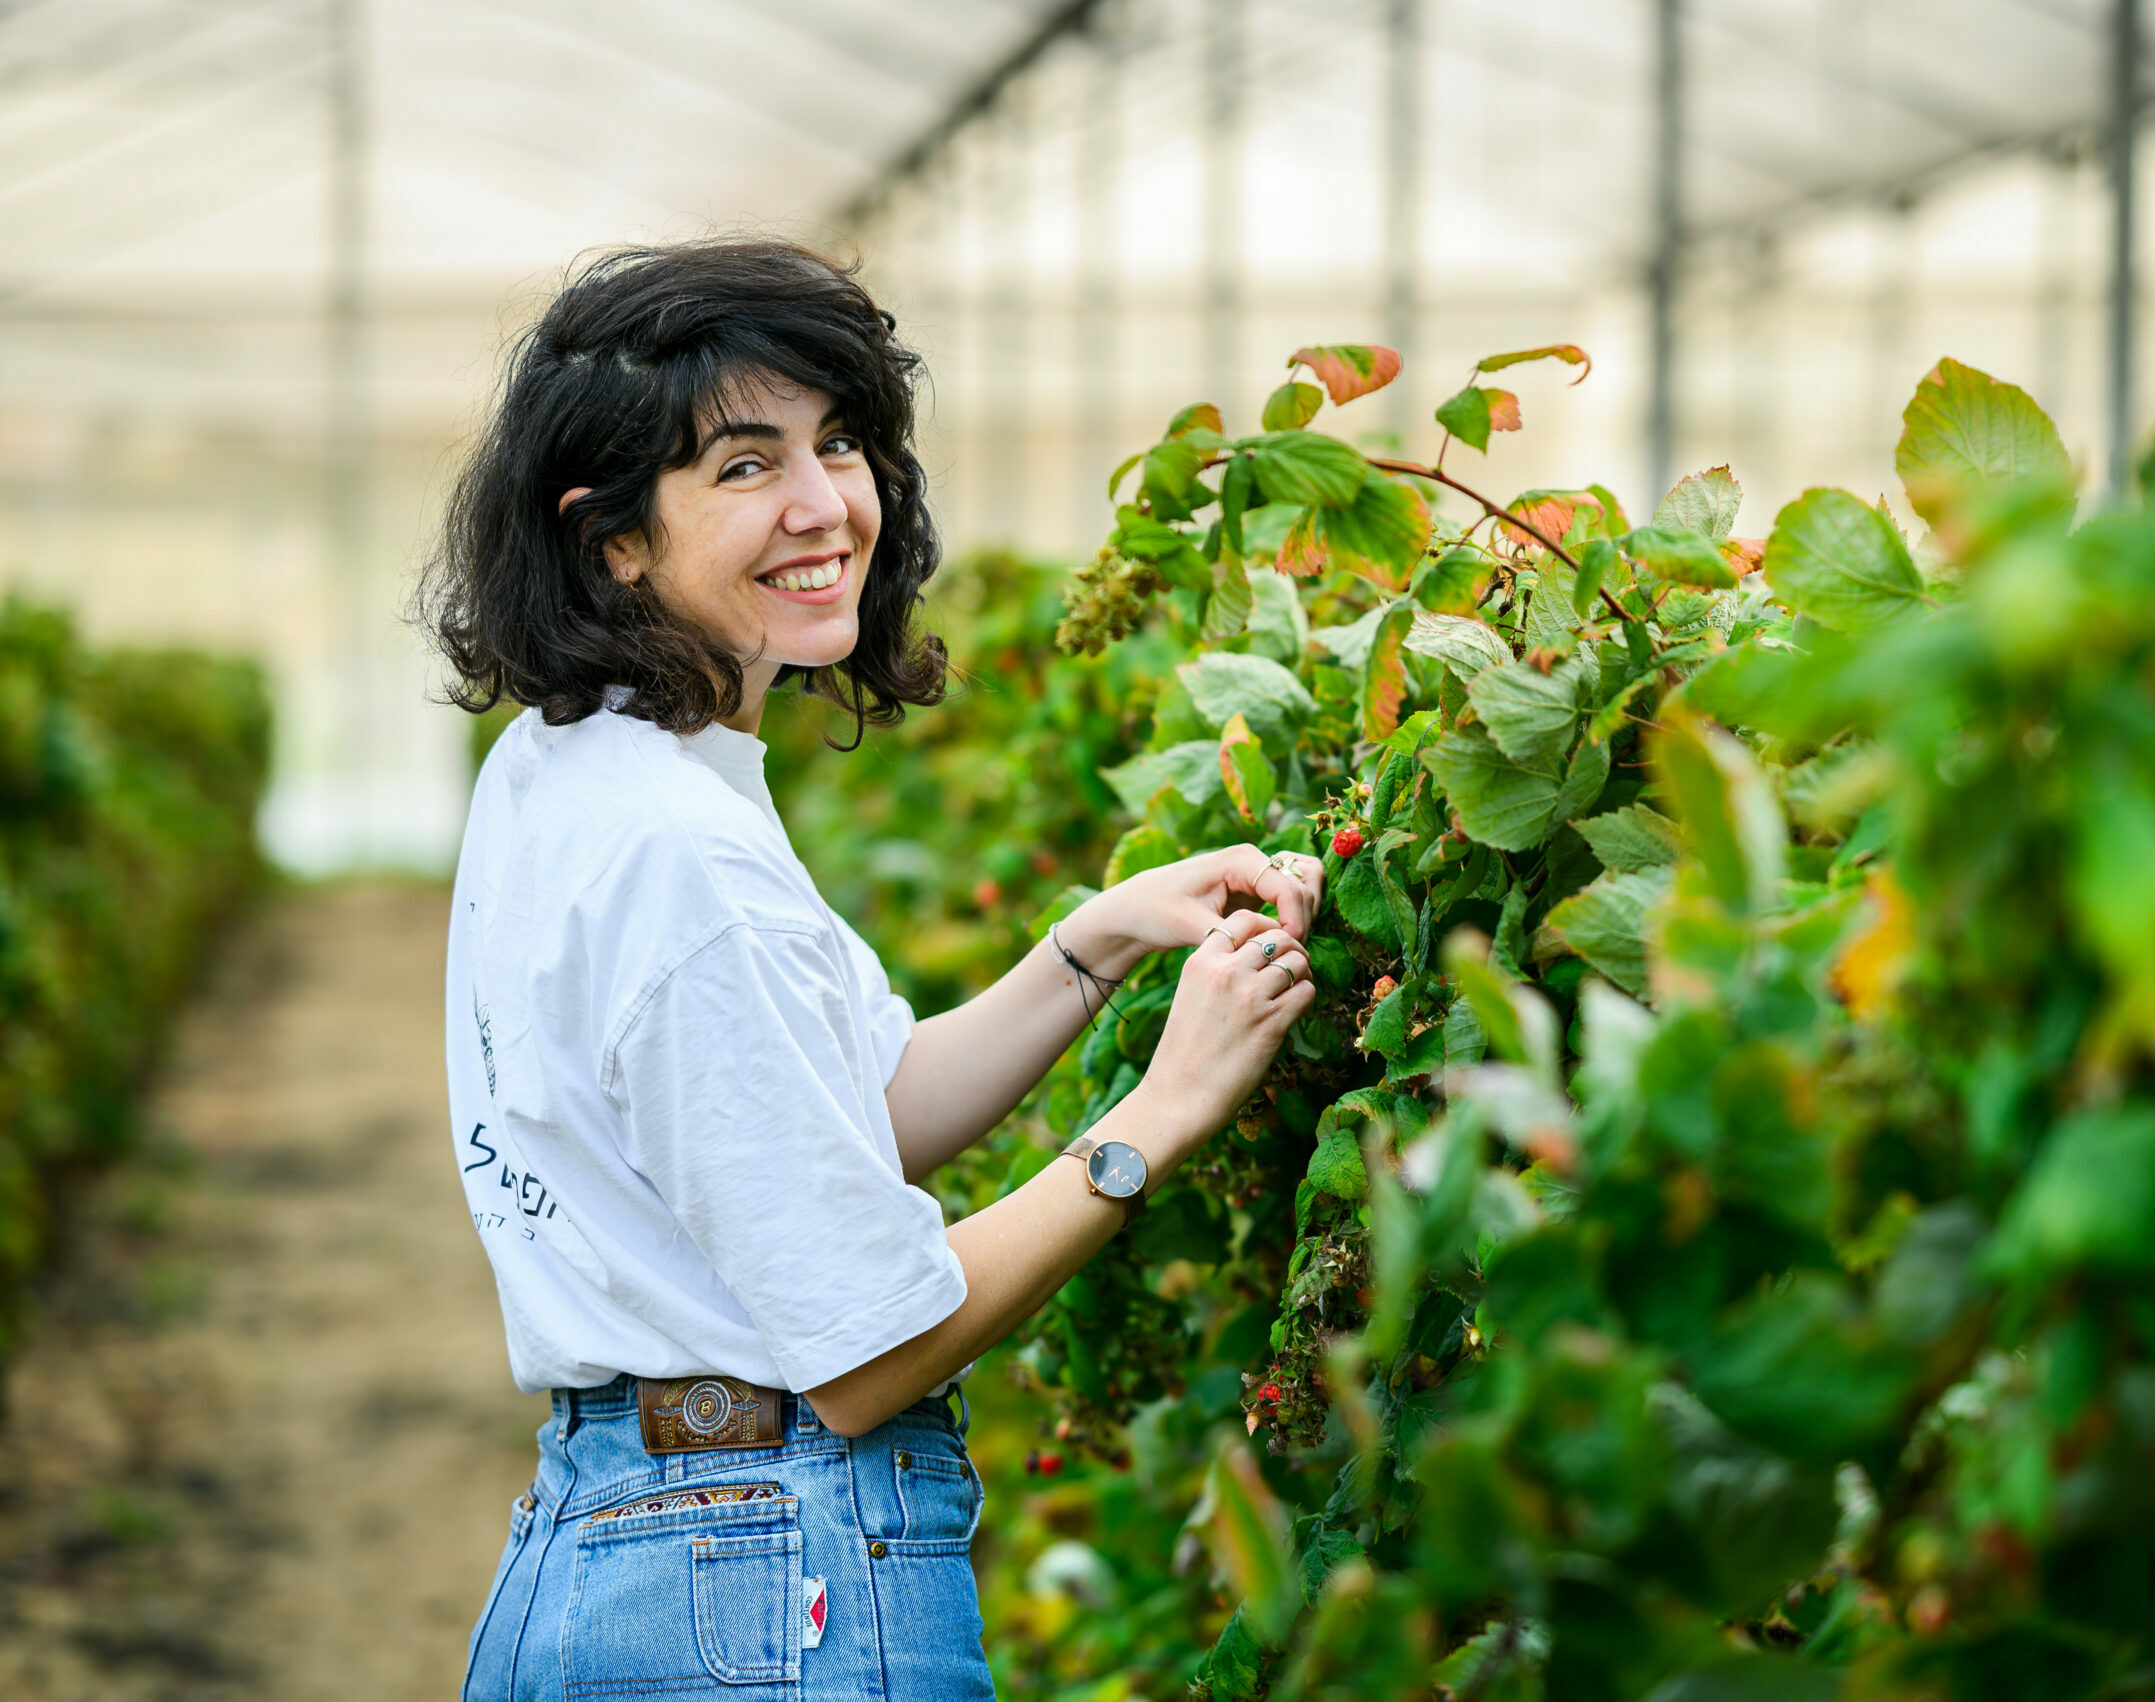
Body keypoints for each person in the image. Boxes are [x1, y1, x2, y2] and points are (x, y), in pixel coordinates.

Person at [417, 237, 1322, 1701]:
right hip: (769, 1595)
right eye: (743, 464)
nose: (824, 503)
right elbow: (866, 1352)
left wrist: (1088, 945)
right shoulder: (683, 863)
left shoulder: (576, 766)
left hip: (621, 1554)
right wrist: (1153, 1120)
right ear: (612, 539)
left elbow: (831, 1124)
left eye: (839, 443)